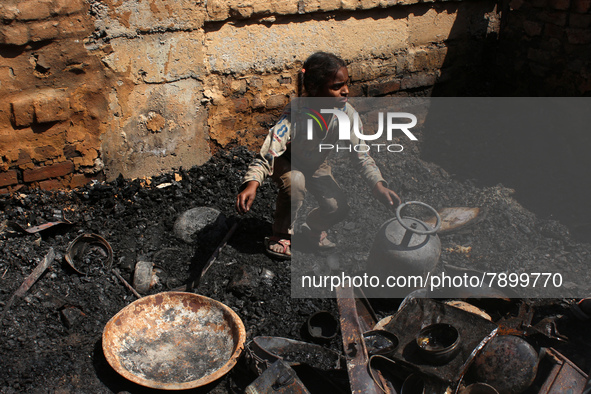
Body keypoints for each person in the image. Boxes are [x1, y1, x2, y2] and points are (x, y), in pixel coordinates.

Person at [235, 51, 401, 259]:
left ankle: (312, 228)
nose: (346, 91)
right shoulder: (297, 112)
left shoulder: (346, 114)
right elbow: (270, 149)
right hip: (287, 160)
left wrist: (378, 185)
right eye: (336, 87)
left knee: (337, 207)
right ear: (314, 89)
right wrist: (252, 182)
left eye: (346, 84)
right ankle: (280, 235)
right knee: (295, 182)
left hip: (316, 163)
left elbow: (361, 153)